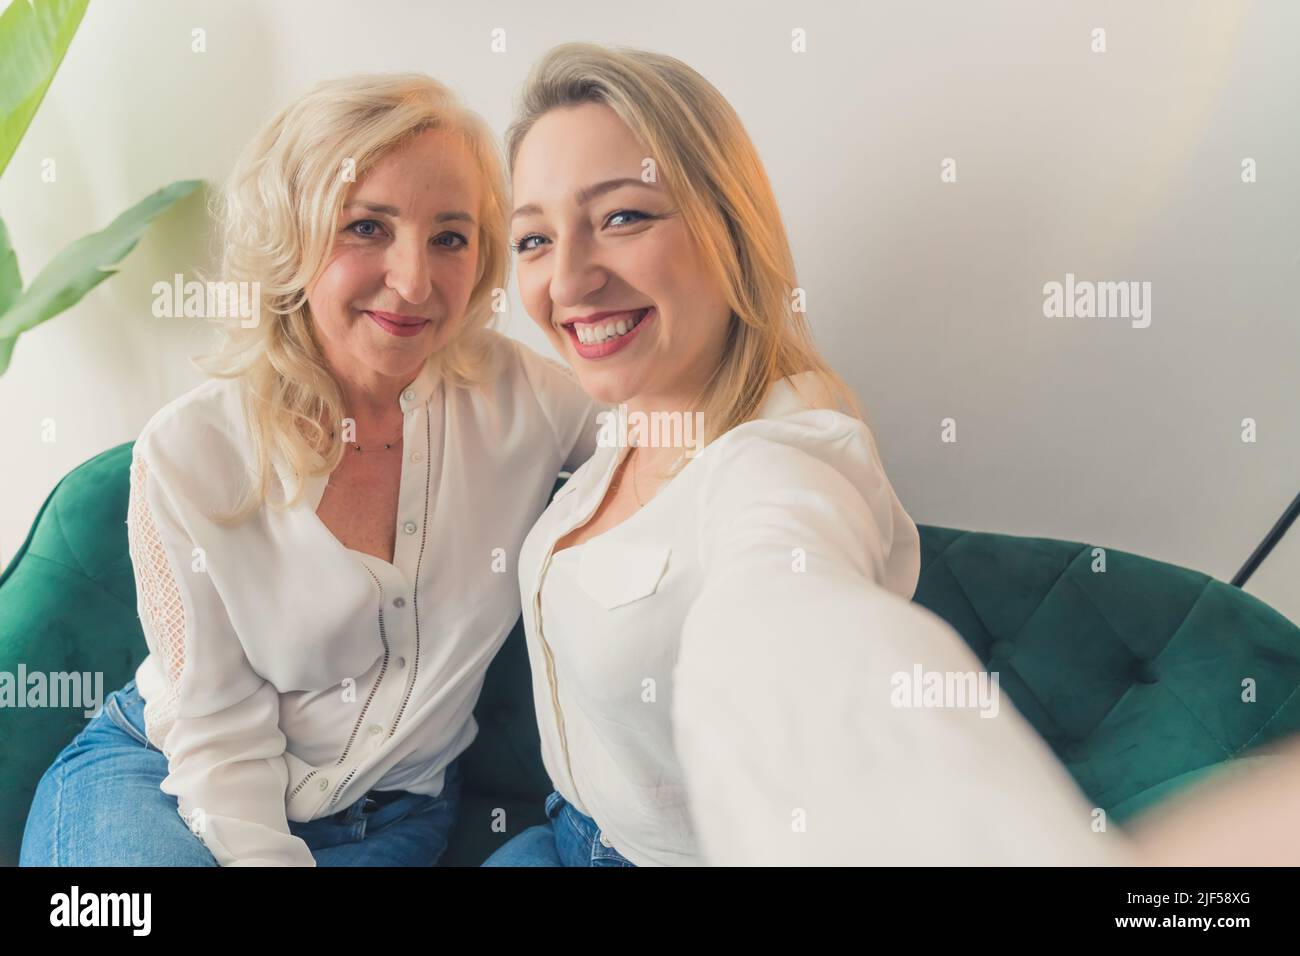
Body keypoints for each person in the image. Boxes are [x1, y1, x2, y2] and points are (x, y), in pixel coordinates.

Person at [482, 43, 1131, 867]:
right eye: (534, 239)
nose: (567, 281)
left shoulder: (785, 458)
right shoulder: (625, 419)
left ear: (729, 226)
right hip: (560, 832)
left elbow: (791, 617)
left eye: (623, 216)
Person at [20, 73, 600, 867]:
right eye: (367, 227)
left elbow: (696, 438)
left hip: (395, 823)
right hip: (165, 783)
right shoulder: (193, 453)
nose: (414, 280)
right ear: (291, 238)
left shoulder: (528, 401)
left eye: (449, 237)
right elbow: (216, 734)